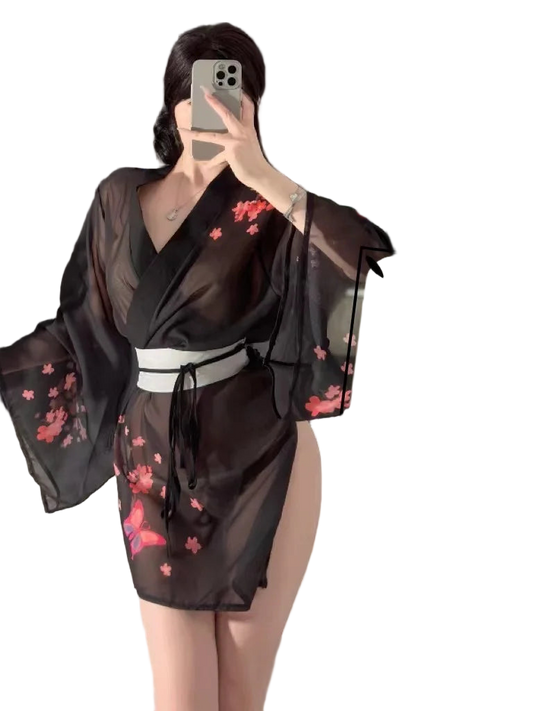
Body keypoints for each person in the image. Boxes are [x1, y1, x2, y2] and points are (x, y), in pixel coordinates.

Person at [0, 20, 397, 711]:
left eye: (230, 91)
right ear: (170, 101)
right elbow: (82, 324)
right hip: (153, 462)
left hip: (264, 455)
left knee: (241, 698)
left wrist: (262, 173)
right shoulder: (117, 193)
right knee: (181, 700)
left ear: (255, 107)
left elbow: (364, 255)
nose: (209, 105)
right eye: (195, 90)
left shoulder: (266, 202)